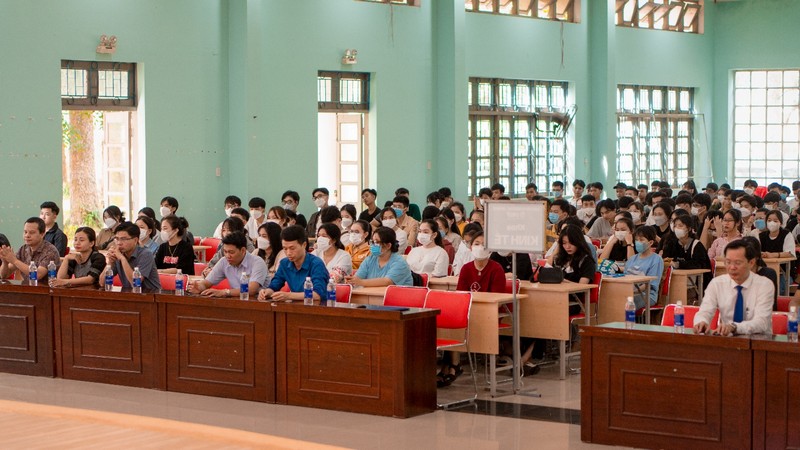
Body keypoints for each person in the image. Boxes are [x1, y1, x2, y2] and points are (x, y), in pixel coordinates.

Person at [693, 240, 773, 336]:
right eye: (728, 262)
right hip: (728, 339)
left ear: (751, 263)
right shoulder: (717, 283)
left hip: (759, 340)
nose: (732, 267)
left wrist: (734, 327)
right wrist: (701, 322)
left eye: (737, 263)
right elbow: (705, 311)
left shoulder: (764, 285)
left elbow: (761, 322)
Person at [257, 226, 330, 302]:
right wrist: (266, 292)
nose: (288, 253)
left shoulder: (316, 264)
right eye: (285, 248)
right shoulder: (284, 263)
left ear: (304, 245)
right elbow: (274, 285)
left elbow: (317, 295)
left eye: (292, 248)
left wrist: (288, 295)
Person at [190, 231, 269, 298]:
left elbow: (252, 290)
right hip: (237, 301)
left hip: (259, 303)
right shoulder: (224, 261)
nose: (228, 256)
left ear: (243, 250)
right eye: (225, 251)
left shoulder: (257, 262)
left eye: (231, 252)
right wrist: (200, 287)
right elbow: (207, 282)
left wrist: (225, 292)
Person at [0, 217, 61, 285]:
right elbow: (4, 276)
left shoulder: (50, 250)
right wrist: (5, 262)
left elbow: (38, 275)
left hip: (48, 289)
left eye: (32, 233)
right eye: (25, 232)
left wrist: (14, 261)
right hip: (29, 288)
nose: (27, 235)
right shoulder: (23, 249)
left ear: (42, 234)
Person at [346, 227, 413, 287]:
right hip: (372, 295)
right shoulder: (370, 259)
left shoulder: (400, 262)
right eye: (372, 242)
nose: (373, 245)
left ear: (388, 246)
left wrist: (361, 282)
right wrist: (351, 280)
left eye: (376, 242)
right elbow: (358, 277)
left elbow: (387, 281)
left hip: (397, 296)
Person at [105, 222, 161, 290]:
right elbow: (102, 283)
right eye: (117, 239)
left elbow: (135, 283)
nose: (119, 243)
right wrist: (110, 262)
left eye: (123, 239)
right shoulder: (118, 254)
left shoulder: (146, 254)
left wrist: (122, 259)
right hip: (129, 294)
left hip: (151, 294)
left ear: (135, 240)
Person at [661, 215, 712, 289]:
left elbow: (699, 264)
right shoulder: (672, 244)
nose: (677, 228)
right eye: (675, 226)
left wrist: (678, 264)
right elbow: (666, 258)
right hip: (676, 279)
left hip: (697, 282)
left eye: (680, 226)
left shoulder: (696, 245)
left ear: (689, 229)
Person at [623, 226, 664, 310]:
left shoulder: (656, 259)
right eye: (636, 240)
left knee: (624, 303)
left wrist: (633, 291)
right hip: (629, 293)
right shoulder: (632, 258)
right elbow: (625, 278)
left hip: (647, 295)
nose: (638, 242)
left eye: (641, 240)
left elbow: (650, 284)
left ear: (650, 242)